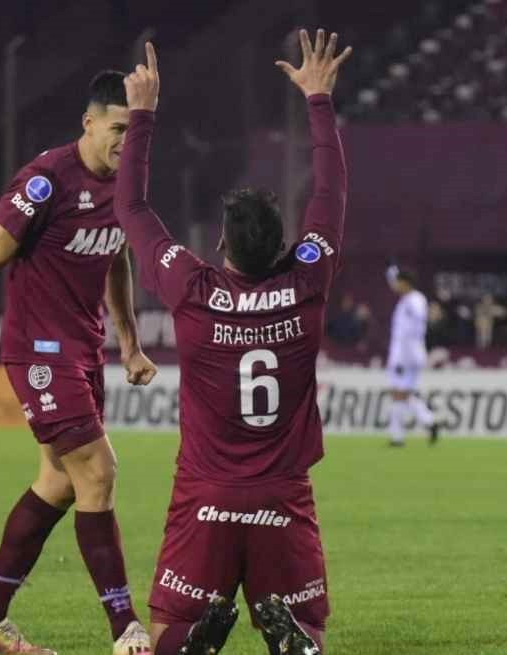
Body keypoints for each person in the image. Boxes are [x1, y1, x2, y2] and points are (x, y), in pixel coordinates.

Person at [114, 34, 350, 655]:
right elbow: (331, 198)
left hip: (206, 500)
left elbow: (131, 206)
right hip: (283, 498)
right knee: (311, 634)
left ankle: (195, 643)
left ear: (220, 246)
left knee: (170, 634)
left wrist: (144, 114)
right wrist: (318, 99)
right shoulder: (307, 283)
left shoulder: (192, 288)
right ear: (284, 246)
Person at [0, 70, 158, 655]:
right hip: (40, 352)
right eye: (119, 128)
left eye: (135, 130)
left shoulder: (123, 185)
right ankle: (127, 631)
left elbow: (117, 256)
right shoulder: (44, 182)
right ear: (89, 123)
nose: (126, 141)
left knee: (59, 483)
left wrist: (128, 342)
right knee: (99, 472)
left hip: (84, 351)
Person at [385, 266, 440, 446]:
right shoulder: (408, 300)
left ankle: (397, 436)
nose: (395, 285)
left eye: (398, 281)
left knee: (398, 393)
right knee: (403, 393)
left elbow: (413, 330)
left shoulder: (413, 300)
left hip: (407, 354)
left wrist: (403, 358)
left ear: (405, 282)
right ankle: (429, 421)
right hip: (407, 353)